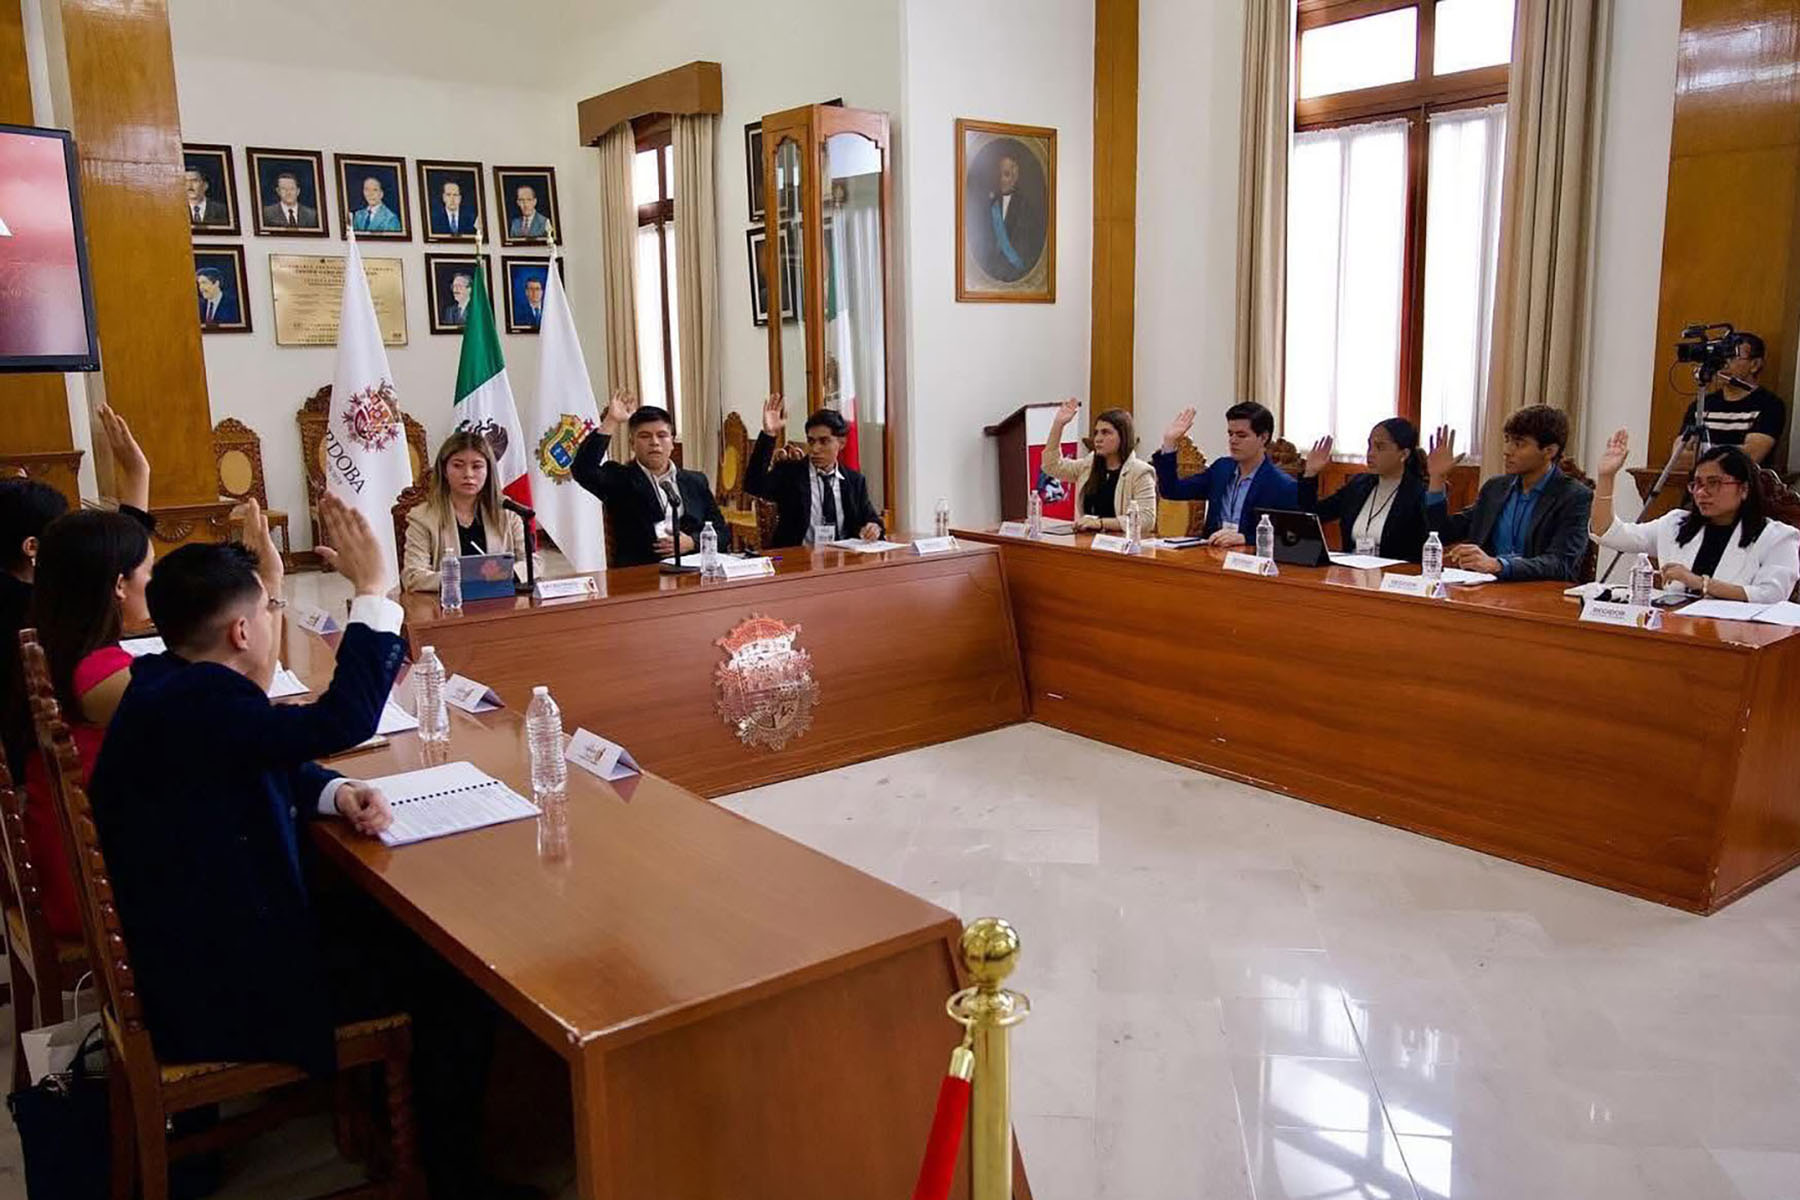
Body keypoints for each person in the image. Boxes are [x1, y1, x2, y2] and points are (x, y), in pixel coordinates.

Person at [0, 407, 149, 784]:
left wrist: (138, 477)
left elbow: (113, 557)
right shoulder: (39, 619)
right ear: (32, 547)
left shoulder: (43, 606)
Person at [1592, 433, 1798, 603]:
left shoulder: (1777, 538)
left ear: (1744, 489)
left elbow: (1771, 596)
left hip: (1737, 639)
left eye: (1713, 483)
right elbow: (1609, 533)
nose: (1701, 492)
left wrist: (1700, 583)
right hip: (1676, 631)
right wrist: (1606, 477)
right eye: (1697, 484)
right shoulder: (1675, 524)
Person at [1424, 405, 1593, 582]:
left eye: (1519, 444)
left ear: (1549, 451)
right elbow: (1441, 533)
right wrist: (1437, 479)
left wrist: (1499, 565)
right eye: (1507, 440)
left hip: (1539, 598)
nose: (1507, 451)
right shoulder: (1495, 488)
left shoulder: (1574, 496)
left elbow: (1561, 564)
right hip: (1484, 593)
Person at [571, 391, 728, 568]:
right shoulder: (619, 479)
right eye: (645, 436)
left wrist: (692, 542)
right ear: (632, 444)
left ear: (672, 441)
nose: (654, 442)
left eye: (662, 436)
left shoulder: (696, 481)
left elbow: (721, 533)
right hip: (643, 573)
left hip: (692, 571)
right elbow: (582, 470)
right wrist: (611, 421)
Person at [745, 394, 884, 547]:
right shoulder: (790, 474)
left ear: (841, 443)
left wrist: (874, 527)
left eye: (824, 441)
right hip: (797, 561)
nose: (815, 449)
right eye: (811, 441)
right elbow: (753, 485)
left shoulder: (854, 481)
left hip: (844, 561)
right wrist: (769, 434)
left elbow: (871, 518)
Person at [401, 431, 532, 593]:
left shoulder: (508, 512)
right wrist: (465, 578)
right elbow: (413, 576)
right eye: (458, 465)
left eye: (477, 466)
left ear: (488, 471)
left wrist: (505, 574)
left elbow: (534, 563)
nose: (468, 474)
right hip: (447, 608)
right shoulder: (422, 517)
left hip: (501, 603)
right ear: (444, 470)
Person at [1152, 402, 1299, 545]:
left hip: (1249, 561)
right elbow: (1171, 490)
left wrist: (1245, 538)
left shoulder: (1281, 484)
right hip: (1212, 553)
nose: (1233, 441)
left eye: (1241, 435)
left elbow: (1290, 537)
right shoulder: (1221, 469)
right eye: (1230, 434)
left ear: (1263, 437)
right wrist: (1170, 442)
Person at [1296, 419, 1431, 561]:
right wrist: (1310, 474)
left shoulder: (1418, 493)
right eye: (1369, 446)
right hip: (1351, 575)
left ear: (1404, 454)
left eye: (1380, 447)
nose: (1370, 453)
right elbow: (1313, 516)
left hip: (1395, 578)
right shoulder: (1358, 485)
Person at [1039, 397, 1157, 534]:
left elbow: (1146, 520)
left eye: (1106, 432)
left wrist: (1100, 523)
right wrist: (1058, 425)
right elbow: (1051, 466)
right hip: (1087, 542)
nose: (1098, 439)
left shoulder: (1140, 471)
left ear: (1123, 436)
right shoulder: (1089, 465)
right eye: (1096, 433)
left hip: (1121, 546)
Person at [1674, 332, 1785, 465]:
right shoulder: (1702, 404)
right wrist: (1729, 454)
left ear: (1755, 364)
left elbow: (1751, 456)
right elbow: (1678, 458)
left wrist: (1700, 455)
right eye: (1720, 357)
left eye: (1732, 357)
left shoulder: (1769, 405)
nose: (1724, 364)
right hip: (1701, 484)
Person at [973, 151, 1045, 283]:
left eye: (1006, 175)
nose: (1001, 179)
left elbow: (1027, 247)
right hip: (990, 272)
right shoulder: (990, 205)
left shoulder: (1025, 207)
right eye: (999, 174)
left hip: (1014, 272)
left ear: (1014, 177)